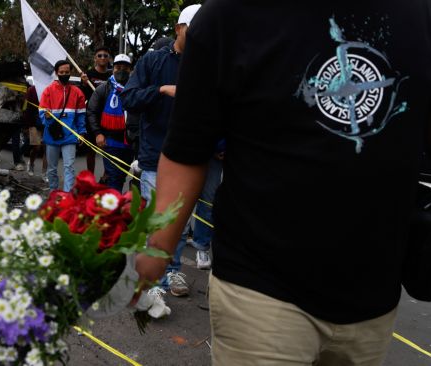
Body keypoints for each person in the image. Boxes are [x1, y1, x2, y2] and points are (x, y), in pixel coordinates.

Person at [136, 1, 431, 365]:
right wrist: (155, 252)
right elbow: (187, 149)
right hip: (261, 293)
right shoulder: (227, 16)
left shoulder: (418, 14)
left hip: (374, 299)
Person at [121, 4, 201, 300]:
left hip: (193, 156)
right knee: (159, 218)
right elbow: (129, 97)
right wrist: (161, 91)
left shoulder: (208, 63)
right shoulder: (153, 61)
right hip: (157, 155)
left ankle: (171, 269)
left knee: (180, 220)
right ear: (179, 29)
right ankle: (150, 278)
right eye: (195, 30)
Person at [87, 54, 138, 192]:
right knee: (114, 178)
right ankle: (113, 207)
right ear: (113, 68)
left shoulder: (136, 89)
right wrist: (98, 133)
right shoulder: (103, 89)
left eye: (125, 68)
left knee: (121, 176)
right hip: (110, 142)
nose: (121, 70)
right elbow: (91, 111)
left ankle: (114, 204)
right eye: (118, 67)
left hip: (130, 143)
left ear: (130, 70)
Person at [39, 60, 87, 192]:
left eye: (67, 72)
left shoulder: (77, 92)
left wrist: (82, 132)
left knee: (69, 167)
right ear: (56, 73)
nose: (64, 74)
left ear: (70, 72)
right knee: (52, 168)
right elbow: (42, 113)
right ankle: (53, 192)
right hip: (52, 136)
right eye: (61, 72)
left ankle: (68, 196)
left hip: (70, 136)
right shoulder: (48, 91)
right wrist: (47, 118)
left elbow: (81, 115)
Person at [81, 46, 112, 175]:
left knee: (109, 149)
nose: (103, 58)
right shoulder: (88, 75)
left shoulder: (112, 74)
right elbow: (82, 95)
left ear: (109, 58)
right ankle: (90, 177)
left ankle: (106, 176)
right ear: (95, 58)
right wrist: (83, 84)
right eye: (100, 55)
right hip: (92, 116)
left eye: (105, 55)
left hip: (109, 115)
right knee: (91, 150)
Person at [24, 84, 47, 180]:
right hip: (34, 123)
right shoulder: (32, 90)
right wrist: (27, 126)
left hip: (48, 123)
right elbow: (27, 108)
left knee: (47, 149)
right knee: (36, 147)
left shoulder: (52, 88)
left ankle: (45, 173)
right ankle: (31, 163)